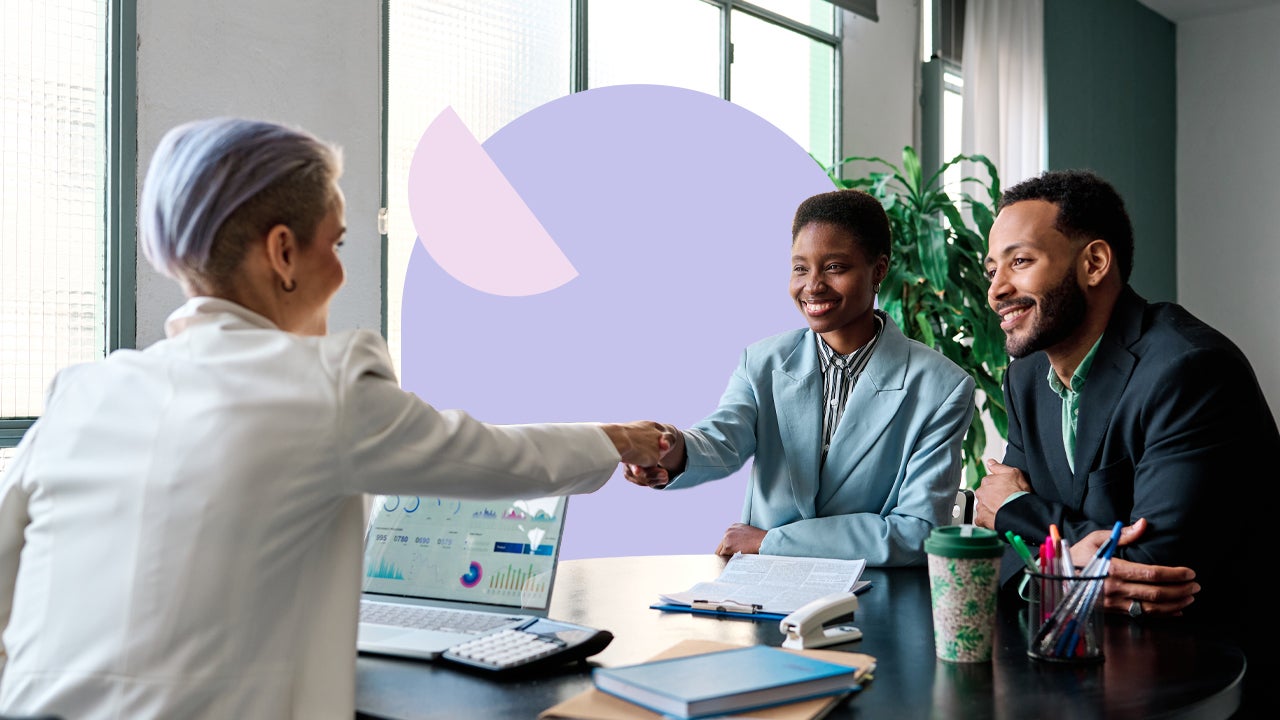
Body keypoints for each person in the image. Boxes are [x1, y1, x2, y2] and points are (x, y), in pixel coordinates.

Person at [0, 117, 674, 720]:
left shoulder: (81, 394)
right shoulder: (324, 385)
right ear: (283, 253)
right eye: (339, 244)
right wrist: (621, 439)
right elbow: (493, 457)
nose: (342, 272)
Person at [976, 168, 1275, 714]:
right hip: (1082, 671)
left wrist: (1014, 509)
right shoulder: (1024, 379)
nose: (996, 290)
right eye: (993, 269)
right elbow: (1009, 562)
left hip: (1209, 682)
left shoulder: (1189, 369)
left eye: (1019, 262)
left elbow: (1157, 569)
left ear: (1094, 263)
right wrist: (1066, 560)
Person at [624, 189, 976, 566]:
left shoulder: (942, 387)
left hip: (871, 599)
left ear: (879, 270)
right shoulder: (760, 362)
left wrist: (772, 541)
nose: (812, 286)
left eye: (834, 267)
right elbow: (721, 440)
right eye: (800, 268)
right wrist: (668, 446)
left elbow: (916, 531)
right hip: (763, 599)